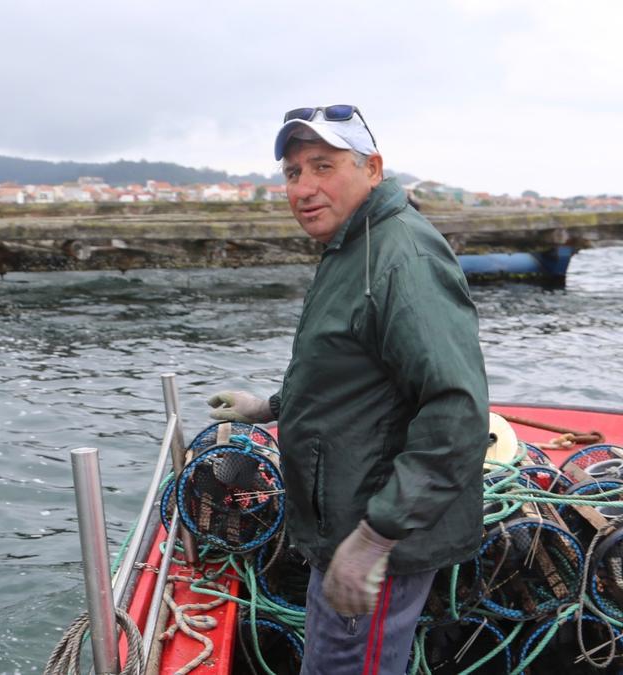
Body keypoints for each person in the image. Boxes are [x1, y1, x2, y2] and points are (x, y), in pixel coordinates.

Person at [208, 105, 489, 674]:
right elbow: (350, 374)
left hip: (374, 529)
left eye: (323, 166)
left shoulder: (400, 256)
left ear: (372, 168)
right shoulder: (352, 246)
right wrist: (270, 408)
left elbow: (456, 410)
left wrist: (376, 537)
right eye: (292, 173)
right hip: (341, 520)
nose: (305, 188)